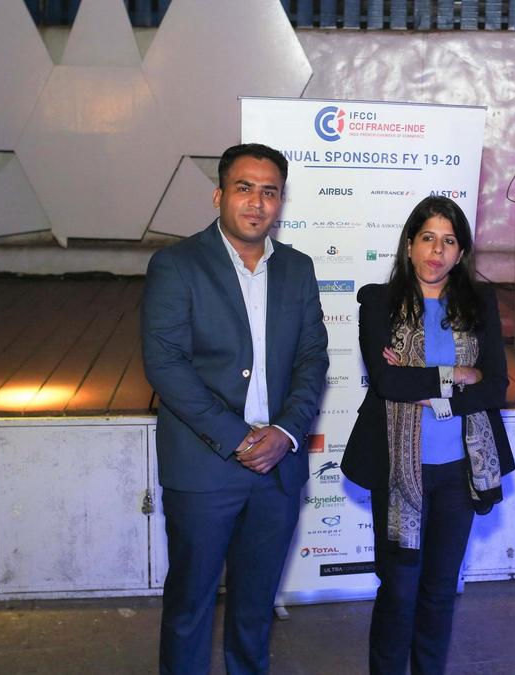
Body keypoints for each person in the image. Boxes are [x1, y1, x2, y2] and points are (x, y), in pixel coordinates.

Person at [142, 143, 329, 675]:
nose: (257, 202)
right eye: (244, 188)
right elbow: (166, 365)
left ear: (280, 202)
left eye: (269, 191)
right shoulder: (177, 265)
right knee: (190, 605)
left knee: (255, 607)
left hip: (278, 467)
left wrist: (285, 433)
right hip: (204, 468)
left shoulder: (297, 268)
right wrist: (240, 438)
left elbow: (312, 358)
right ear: (219, 195)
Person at [342, 195, 515, 675]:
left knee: (439, 591)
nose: (437, 251)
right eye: (428, 238)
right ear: (409, 245)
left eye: (449, 241)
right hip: (399, 470)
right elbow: (387, 382)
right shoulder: (379, 303)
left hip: (459, 472)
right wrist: (458, 374)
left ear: (461, 253)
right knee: (399, 590)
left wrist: (431, 391)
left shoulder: (479, 303)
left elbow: (495, 386)